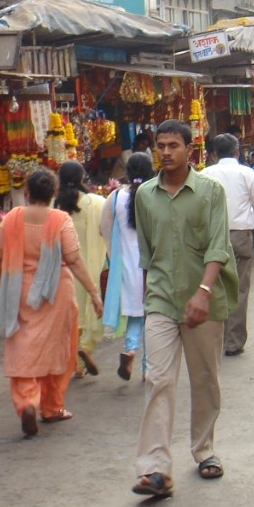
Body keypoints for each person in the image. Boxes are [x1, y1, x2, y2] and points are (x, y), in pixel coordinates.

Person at [130, 120, 238, 498]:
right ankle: (154, 468)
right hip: (161, 299)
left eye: (173, 145)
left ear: (190, 150)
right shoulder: (144, 196)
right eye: (160, 145)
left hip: (203, 299)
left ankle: (204, 450)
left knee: (204, 379)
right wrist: (148, 302)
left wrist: (204, 291)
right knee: (158, 379)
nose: (165, 152)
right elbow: (148, 254)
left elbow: (218, 246)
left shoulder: (210, 191)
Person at [0, 168, 103, 436]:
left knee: (22, 347)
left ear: (27, 193)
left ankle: (27, 402)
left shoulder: (11, 218)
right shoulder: (60, 219)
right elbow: (74, 259)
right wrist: (93, 292)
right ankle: (52, 407)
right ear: (54, 193)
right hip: (57, 294)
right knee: (57, 348)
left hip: (18, 292)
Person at [203, 133, 254, 357]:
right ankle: (233, 341)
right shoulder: (247, 173)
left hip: (211, 237)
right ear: (237, 152)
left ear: (214, 154)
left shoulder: (204, 175)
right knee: (239, 288)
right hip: (240, 236)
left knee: (213, 287)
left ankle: (215, 339)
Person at [100, 152, 155, 381]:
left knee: (135, 313)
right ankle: (147, 367)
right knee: (152, 316)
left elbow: (104, 228)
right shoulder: (155, 193)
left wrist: (113, 256)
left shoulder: (115, 197)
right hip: (153, 264)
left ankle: (130, 349)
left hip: (127, 264)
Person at [53, 161, 107, 377]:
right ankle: (84, 348)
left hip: (64, 269)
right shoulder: (96, 203)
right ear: (83, 177)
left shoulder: (55, 207)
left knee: (69, 316)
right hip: (89, 267)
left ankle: (75, 360)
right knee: (89, 310)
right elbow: (106, 229)